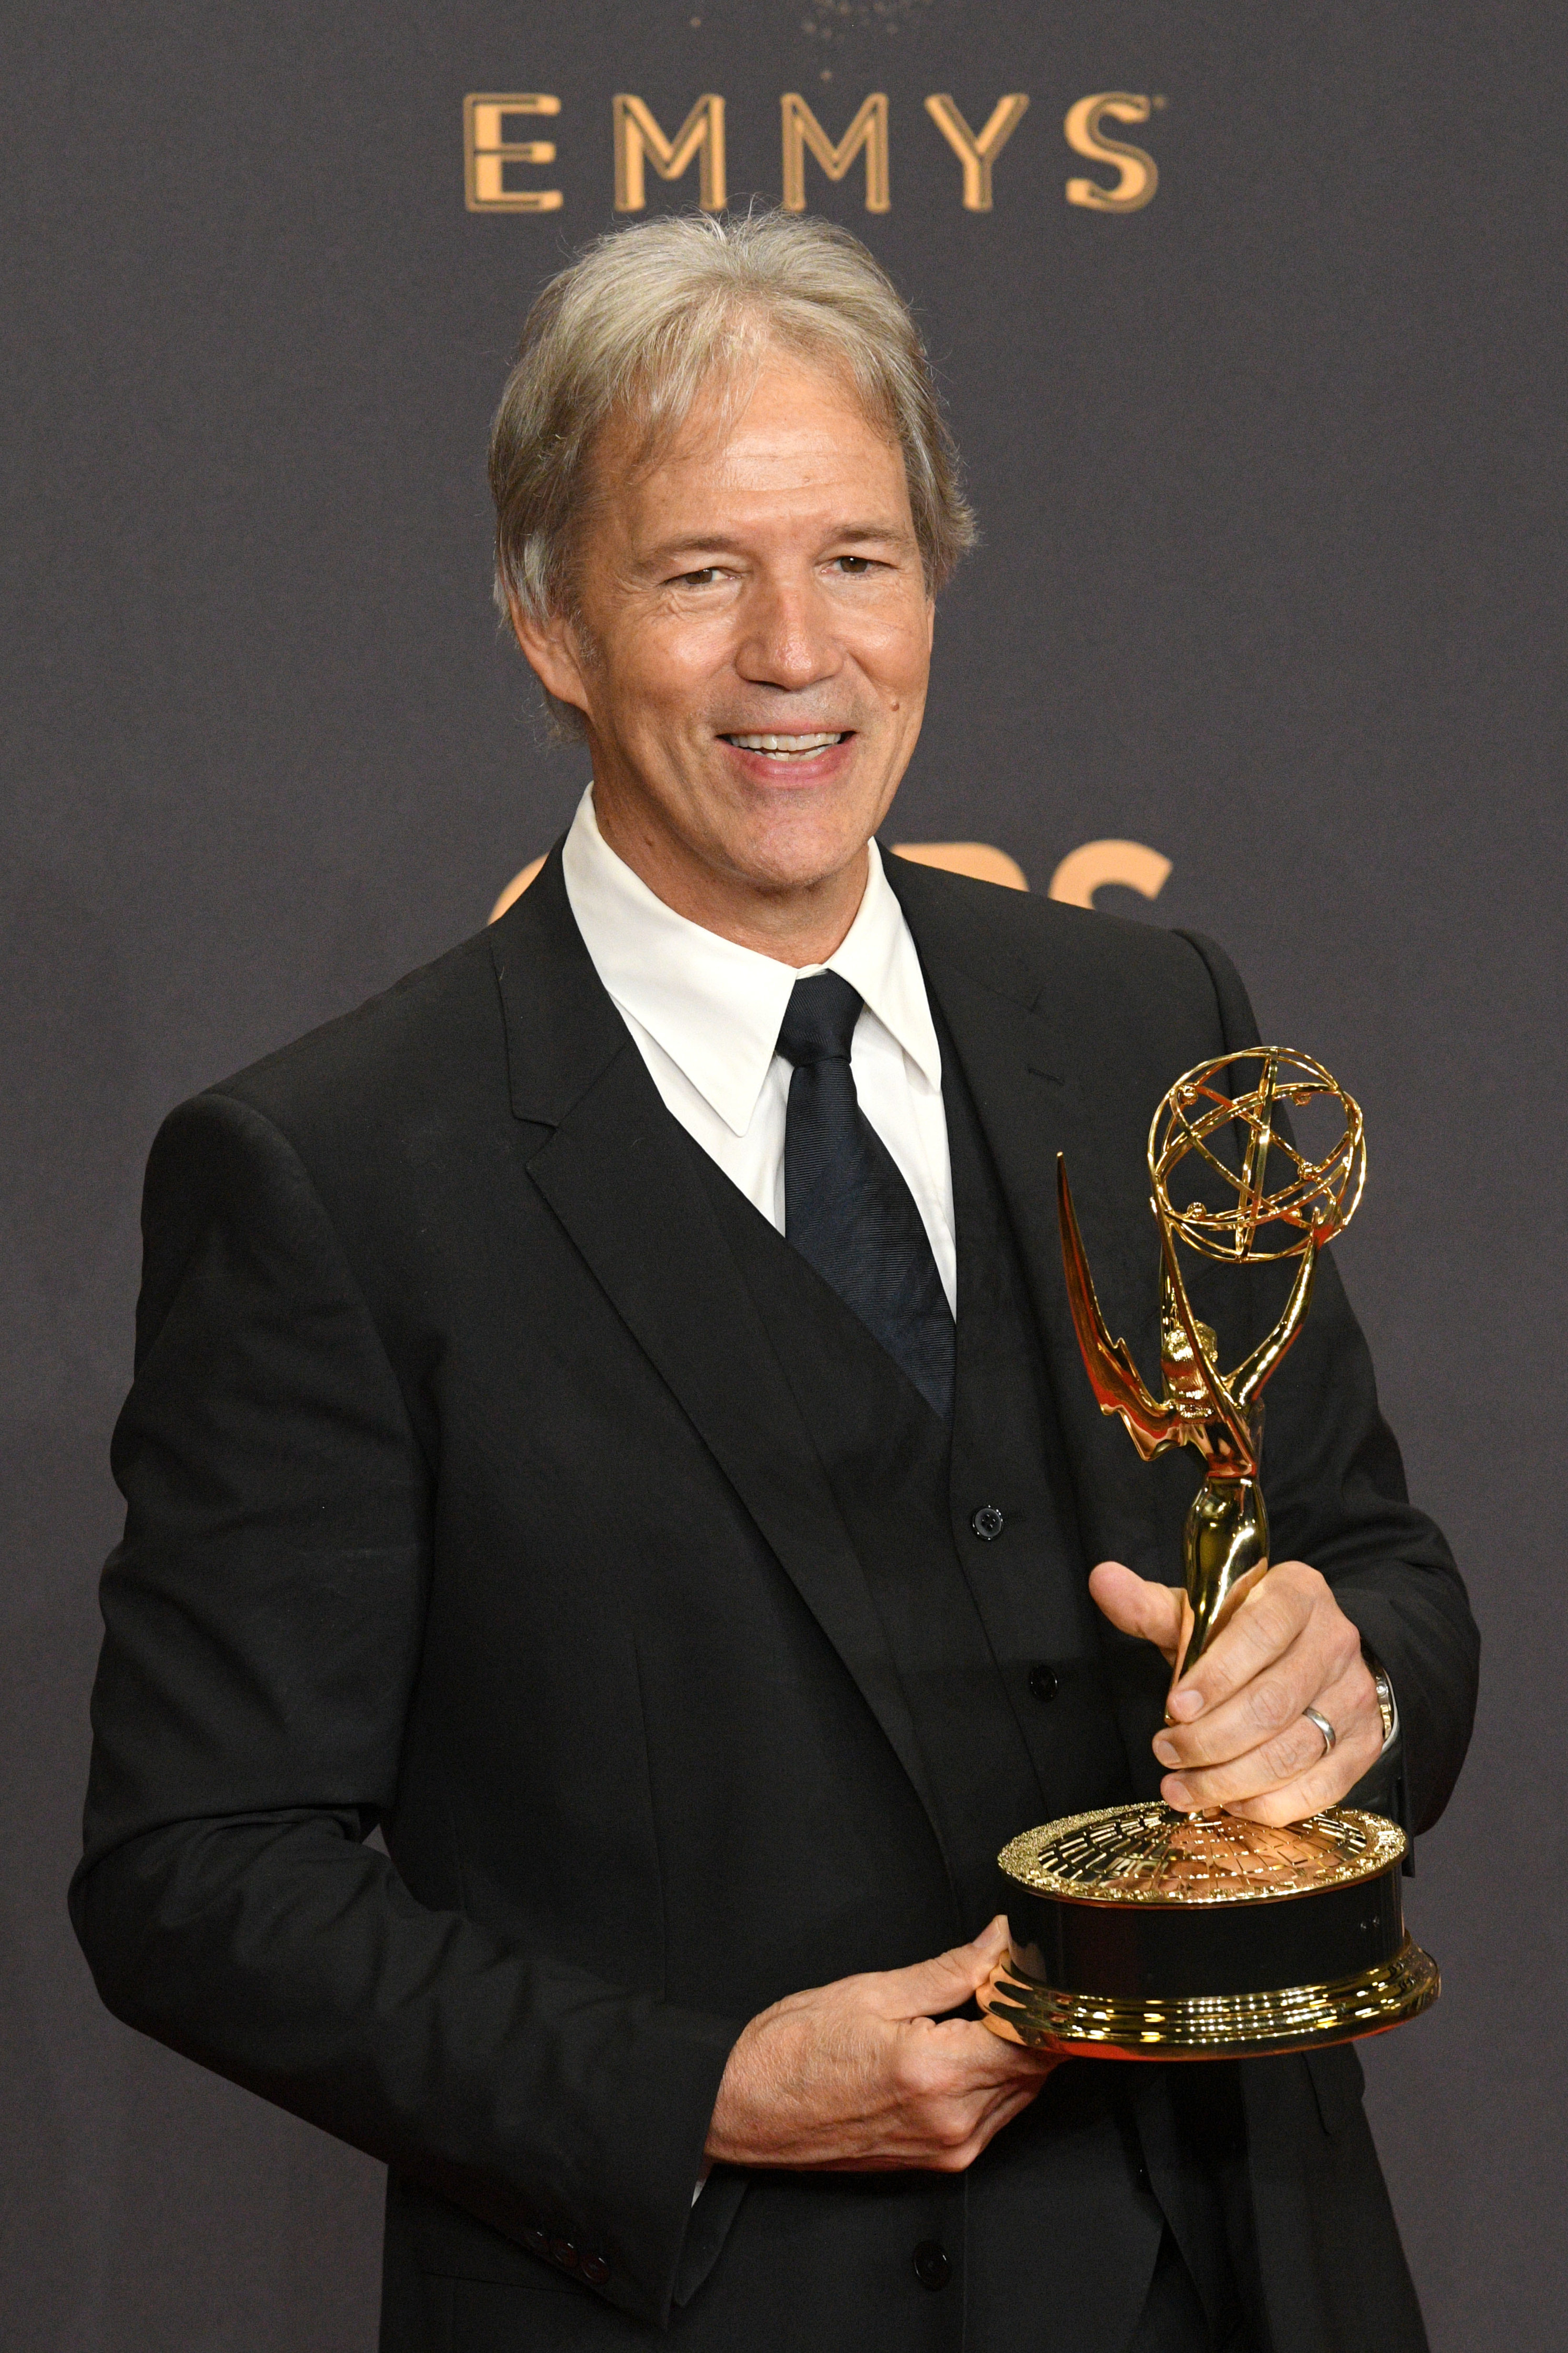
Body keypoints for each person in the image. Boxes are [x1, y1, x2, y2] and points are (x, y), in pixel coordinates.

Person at [71, 211, 1478, 2353]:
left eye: (860, 558)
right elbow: (196, 1874)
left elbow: (1384, 1568)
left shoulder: (1145, 1019)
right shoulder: (337, 1174)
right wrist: (706, 2090)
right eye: (701, 572)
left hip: (1251, 2274)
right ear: (552, 620)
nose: (795, 655)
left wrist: (1344, 1682)